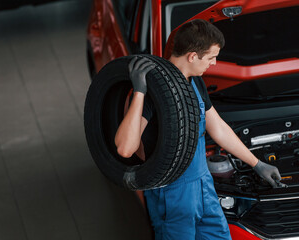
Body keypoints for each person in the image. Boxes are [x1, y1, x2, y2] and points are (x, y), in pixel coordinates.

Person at [114, 19, 285, 240]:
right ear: (193, 56)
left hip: (203, 185)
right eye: (212, 57)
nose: (214, 63)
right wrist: (139, 91)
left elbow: (218, 128)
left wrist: (257, 163)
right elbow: (125, 148)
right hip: (171, 192)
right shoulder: (152, 90)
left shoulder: (195, 82)